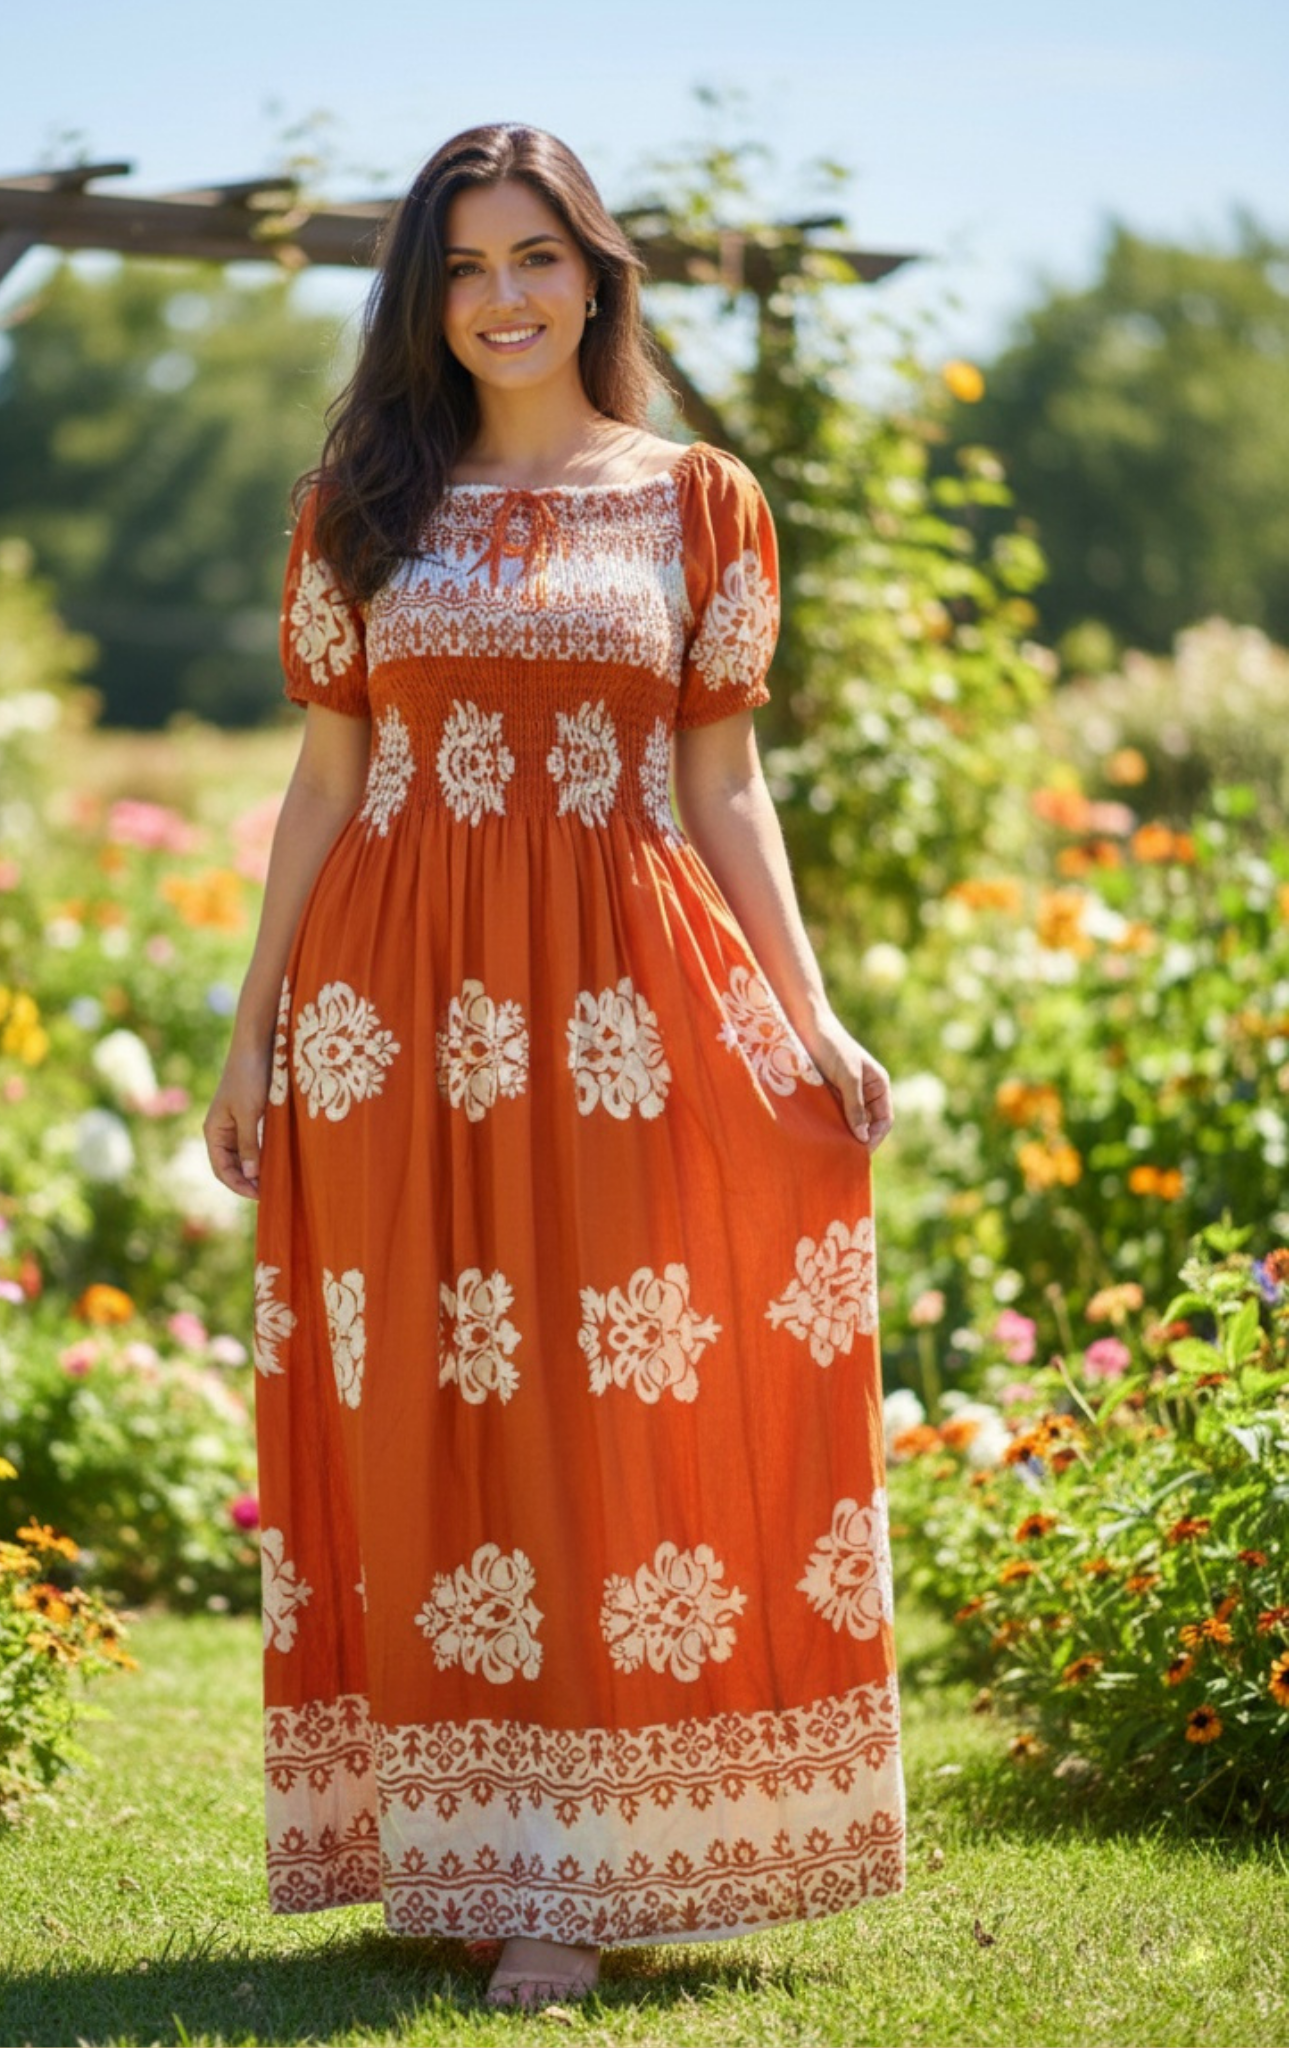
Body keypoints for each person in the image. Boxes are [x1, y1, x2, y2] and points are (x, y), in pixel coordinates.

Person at [203, 120, 904, 2012]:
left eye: (533, 257)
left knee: (608, 1405)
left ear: (594, 273)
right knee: (435, 1413)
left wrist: (810, 1011)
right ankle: (462, 1846)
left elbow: (721, 781)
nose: (499, 298)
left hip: (621, 1006)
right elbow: (329, 775)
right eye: (461, 267)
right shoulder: (357, 500)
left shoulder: (695, 501)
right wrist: (251, 1029)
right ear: (421, 297)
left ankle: (577, 1877)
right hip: (393, 1007)